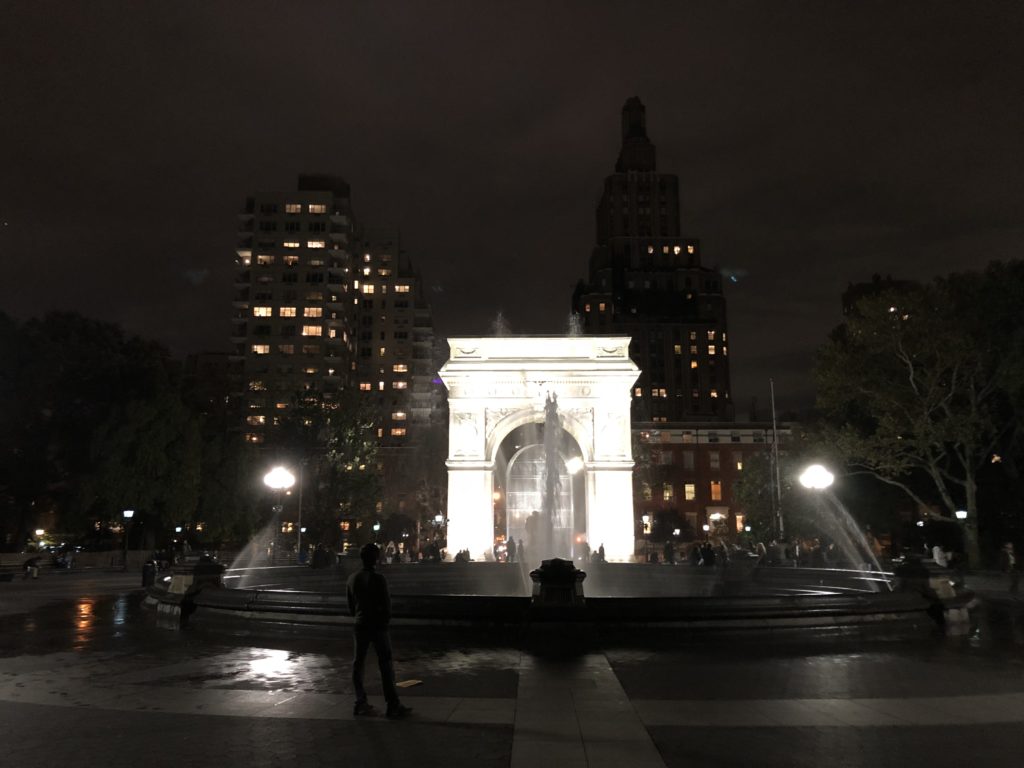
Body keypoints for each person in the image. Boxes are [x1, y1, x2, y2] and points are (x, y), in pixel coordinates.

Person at [346, 543, 411, 719]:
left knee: (358, 663)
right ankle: (392, 705)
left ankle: (360, 702)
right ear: (376, 558)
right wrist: (384, 621)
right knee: (385, 664)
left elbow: (351, 608)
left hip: (360, 625)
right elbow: (386, 606)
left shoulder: (352, 578)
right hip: (377, 627)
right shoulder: (379, 579)